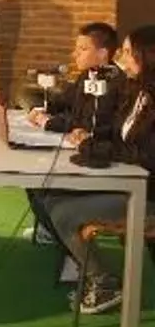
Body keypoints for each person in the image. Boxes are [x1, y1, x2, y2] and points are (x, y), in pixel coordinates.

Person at [45, 25, 155, 315]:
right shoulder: (135, 91)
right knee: (52, 196)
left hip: (147, 196)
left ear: (147, 57)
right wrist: (89, 140)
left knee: (63, 213)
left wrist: (93, 147)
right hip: (125, 181)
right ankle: (84, 266)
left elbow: (144, 155)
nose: (122, 58)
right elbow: (117, 137)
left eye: (128, 53)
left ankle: (104, 282)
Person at [22, 22, 124, 244]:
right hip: (77, 146)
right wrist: (42, 109)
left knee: (44, 182)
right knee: (32, 177)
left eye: (83, 49)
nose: (75, 54)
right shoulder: (87, 76)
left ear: (103, 53)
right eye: (76, 48)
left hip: (101, 157)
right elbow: (66, 102)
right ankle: (52, 232)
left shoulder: (116, 83)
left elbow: (87, 123)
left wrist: (49, 123)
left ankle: (62, 237)